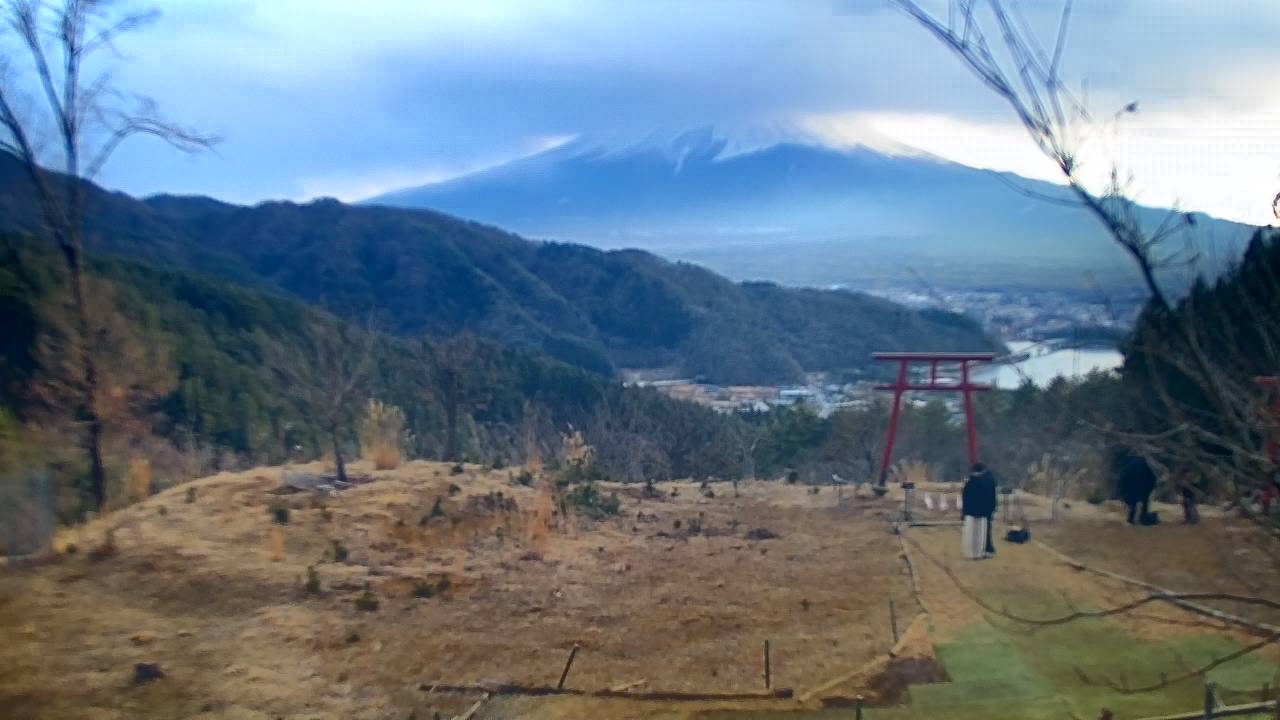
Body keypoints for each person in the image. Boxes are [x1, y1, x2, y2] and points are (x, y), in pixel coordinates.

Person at [962, 462, 997, 559]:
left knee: (973, 533)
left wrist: (964, 512)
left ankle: (974, 552)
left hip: (974, 511)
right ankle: (982, 551)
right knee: (983, 533)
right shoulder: (989, 480)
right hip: (985, 511)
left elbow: (966, 497)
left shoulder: (970, 482)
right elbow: (992, 497)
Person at [1118, 451, 1157, 525]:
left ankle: (1131, 520)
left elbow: (1123, 479)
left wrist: (1123, 491)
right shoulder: (1144, 466)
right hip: (1144, 489)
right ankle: (1143, 519)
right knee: (1144, 505)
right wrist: (1150, 488)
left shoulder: (1129, 467)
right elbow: (1152, 478)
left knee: (1133, 505)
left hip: (1132, 489)